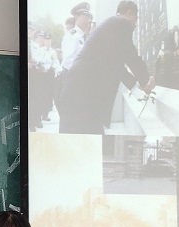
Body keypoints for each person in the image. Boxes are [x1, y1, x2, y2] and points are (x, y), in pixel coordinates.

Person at [57, 0, 156, 135]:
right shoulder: (122, 23)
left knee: (82, 134)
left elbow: (115, 65)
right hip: (82, 92)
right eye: (136, 18)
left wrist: (138, 86)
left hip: (79, 91)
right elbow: (131, 55)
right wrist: (146, 80)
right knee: (83, 134)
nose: (136, 24)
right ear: (129, 13)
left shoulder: (111, 26)